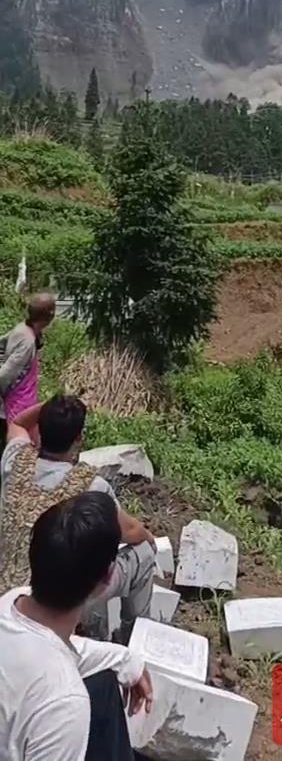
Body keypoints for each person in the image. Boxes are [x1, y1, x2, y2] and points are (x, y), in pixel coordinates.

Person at [0, 490, 153, 760]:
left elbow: (56, 648)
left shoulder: (11, 603)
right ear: (107, 576)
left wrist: (125, 659)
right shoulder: (65, 704)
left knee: (104, 681)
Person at [0, 394, 157, 635]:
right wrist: (150, 538)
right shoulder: (91, 486)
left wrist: (52, 406)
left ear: (40, 430)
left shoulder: (14, 459)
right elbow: (131, 532)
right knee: (143, 553)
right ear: (78, 438)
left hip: (7, 592)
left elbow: (18, 423)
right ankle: (134, 637)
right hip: (52, 603)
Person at [0, 293, 56, 445]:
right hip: (15, 404)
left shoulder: (23, 329)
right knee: (18, 447)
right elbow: (4, 375)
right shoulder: (27, 341)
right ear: (50, 315)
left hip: (22, 401)